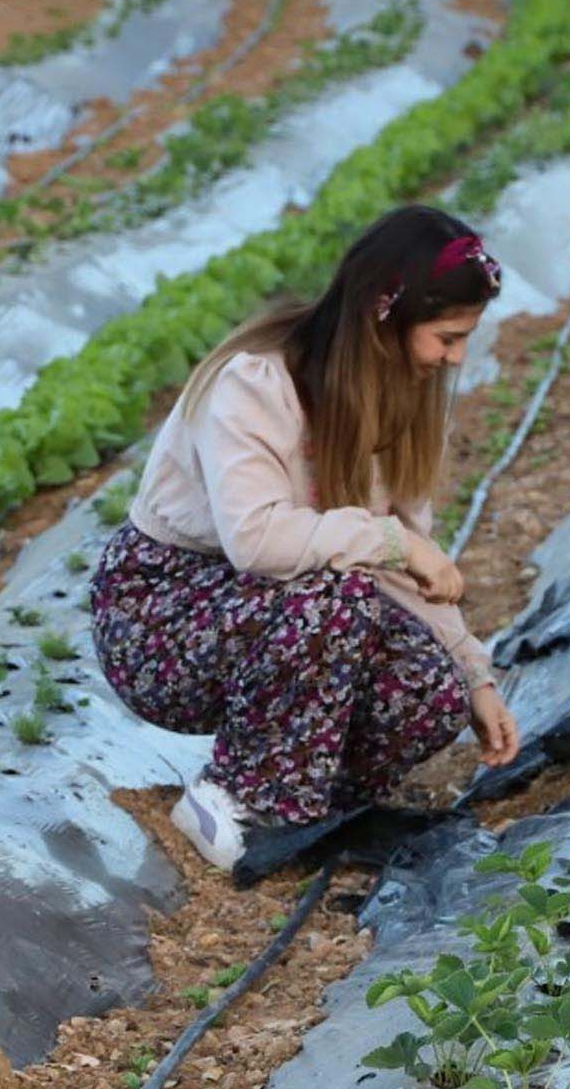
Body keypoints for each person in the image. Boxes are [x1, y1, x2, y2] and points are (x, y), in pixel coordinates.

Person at [91, 204, 521, 872]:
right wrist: (395, 544)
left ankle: (315, 806)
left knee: (430, 693)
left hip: (270, 606)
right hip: (163, 615)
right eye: (446, 336)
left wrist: (476, 676)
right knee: (333, 594)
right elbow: (260, 543)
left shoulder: (390, 398)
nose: (455, 357)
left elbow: (398, 560)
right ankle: (229, 797)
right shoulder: (256, 383)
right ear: (384, 317)